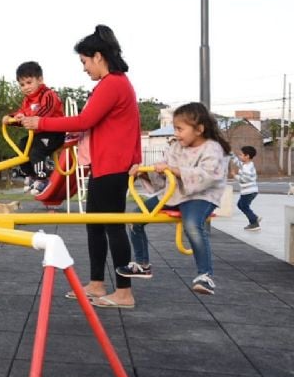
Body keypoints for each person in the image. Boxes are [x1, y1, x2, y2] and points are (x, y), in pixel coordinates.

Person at [24, 25, 141, 309]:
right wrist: (69, 140)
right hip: (105, 165)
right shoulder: (113, 84)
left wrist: (42, 123)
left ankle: (124, 292)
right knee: (95, 226)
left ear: (98, 56)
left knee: (112, 226)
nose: (84, 68)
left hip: (112, 166)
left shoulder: (114, 82)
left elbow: (84, 120)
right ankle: (98, 284)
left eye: (85, 62)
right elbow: (98, 126)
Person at [119, 102, 230, 295]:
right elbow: (163, 176)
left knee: (192, 225)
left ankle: (205, 276)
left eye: (180, 129)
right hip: (174, 194)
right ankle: (142, 263)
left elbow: (209, 175)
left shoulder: (212, 148)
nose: (176, 133)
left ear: (199, 129)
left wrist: (174, 170)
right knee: (135, 218)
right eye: (175, 128)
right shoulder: (176, 148)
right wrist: (144, 173)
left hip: (201, 195)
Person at [2, 61, 65, 195]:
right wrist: (11, 118)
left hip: (54, 133)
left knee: (36, 151)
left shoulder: (48, 95)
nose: (25, 87)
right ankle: (30, 175)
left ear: (40, 80)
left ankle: (43, 177)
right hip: (38, 134)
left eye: (29, 82)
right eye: (22, 85)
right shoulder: (27, 100)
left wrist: (26, 118)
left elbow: (45, 111)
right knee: (22, 146)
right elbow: (23, 116)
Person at [233, 145, 261, 231]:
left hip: (249, 191)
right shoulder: (245, 164)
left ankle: (254, 223)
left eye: (241, 155)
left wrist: (235, 176)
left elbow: (244, 180)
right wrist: (229, 153)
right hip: (247, 191)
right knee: (241, 205)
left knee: (244, 206)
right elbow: (237, 162)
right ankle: (254, 217)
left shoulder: (247, 168)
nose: (239, 156)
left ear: (247, 156)